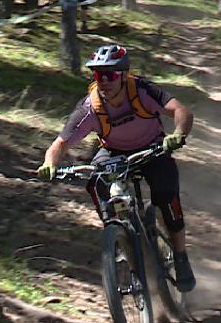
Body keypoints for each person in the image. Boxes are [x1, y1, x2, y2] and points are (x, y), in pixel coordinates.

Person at [37, 44, 197, 292]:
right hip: (113, 150)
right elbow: (59, 145)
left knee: (166, 196)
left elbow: (181, 111)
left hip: (152, 147)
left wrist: (178, 134)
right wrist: (49, 163)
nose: (104, 81)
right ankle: (117, 231)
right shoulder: (89, 107)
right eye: (98, 75)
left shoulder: (142, 90)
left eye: (110, 75)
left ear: (123, 75)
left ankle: (180, 256)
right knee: (96, 181)